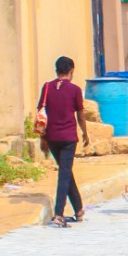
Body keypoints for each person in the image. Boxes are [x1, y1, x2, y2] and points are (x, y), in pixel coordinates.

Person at [37, 56, 89, 227]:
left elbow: (41, 112)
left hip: (52, 137)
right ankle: (59, 213)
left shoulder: (47, 87)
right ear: (71, 71)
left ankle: (79, 209)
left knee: (66, 172)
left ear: (56, 70)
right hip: (68, 138)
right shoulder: (75, 90)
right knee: (64, 173)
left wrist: (42, 137)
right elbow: (80, 115)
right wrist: (85, 133)